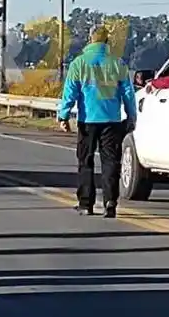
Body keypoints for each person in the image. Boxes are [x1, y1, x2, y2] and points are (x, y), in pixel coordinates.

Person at [56, 25, 137, 218]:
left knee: (86, 161)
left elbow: (70, 92)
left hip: (88, 120)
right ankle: (110, 202)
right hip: (112, 121)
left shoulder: (79, 63)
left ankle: (86, 203)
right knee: (110, 162)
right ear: (107, 42)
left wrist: (64, 115)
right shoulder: (118, 63)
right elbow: (128, 92)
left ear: (90, 40)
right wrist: (132, 115)